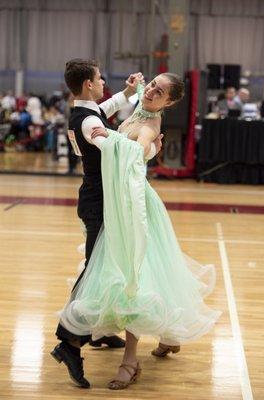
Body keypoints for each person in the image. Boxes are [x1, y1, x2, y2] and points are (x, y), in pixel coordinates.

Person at [59, 72, 221, 390]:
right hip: (119, 200)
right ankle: (168, 338)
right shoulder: (137, 110)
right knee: (135, 273)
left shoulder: (149, 125)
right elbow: (116, 117)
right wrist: (128, 95)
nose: (151, 92)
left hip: (136, 205)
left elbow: (136, 152)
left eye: (159, 92)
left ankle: (130, 362)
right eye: (152, 86)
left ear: (168, 102)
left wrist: (113, 138)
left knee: (137, 276)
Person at [50, 59, 161, 389]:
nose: (103, 84)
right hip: (98, 202)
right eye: (99, 80)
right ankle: (68, 343)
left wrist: (127, 94)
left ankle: (98, 332)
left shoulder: (85, 112)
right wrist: (151, 145)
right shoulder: (88, 124)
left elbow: (102, 109)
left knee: (103, 265)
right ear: (87, 84)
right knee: (95, 271)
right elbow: (120, 151)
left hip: (95, 198)